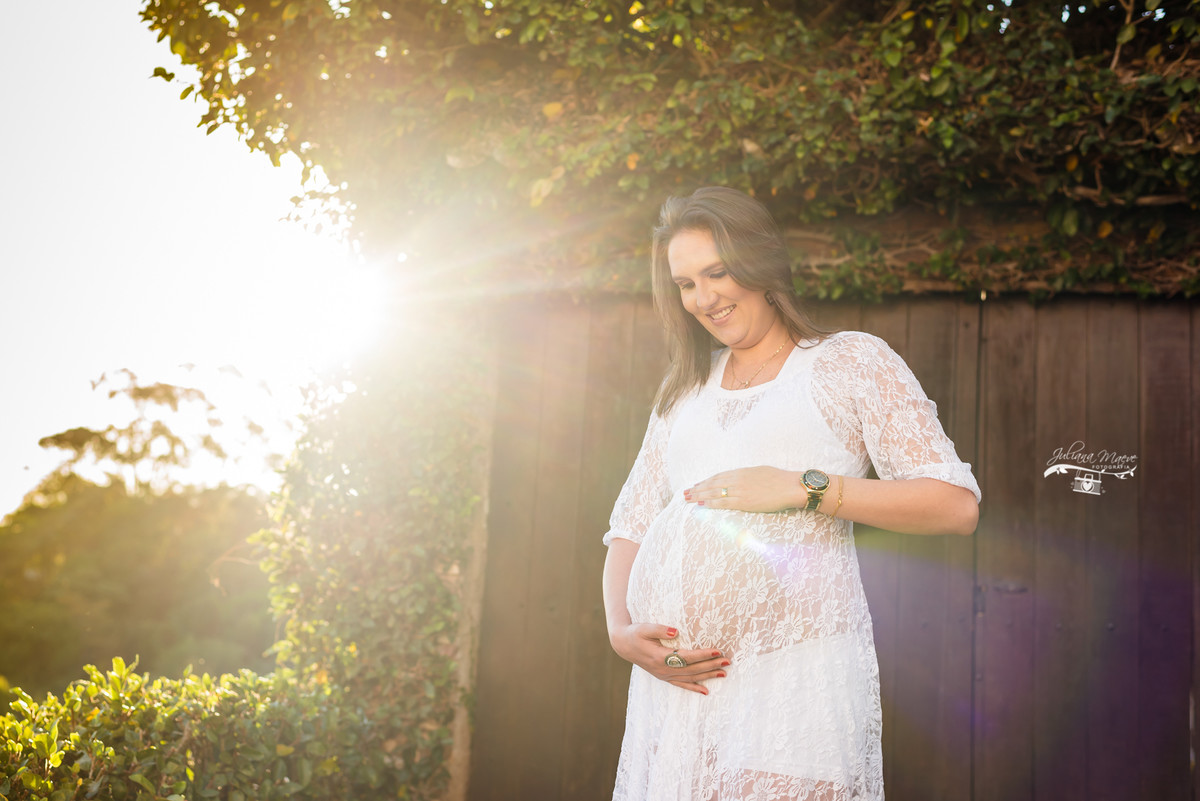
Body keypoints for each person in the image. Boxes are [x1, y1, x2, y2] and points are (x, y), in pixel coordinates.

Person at [601, 186, 981, 801]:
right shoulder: (683, 392)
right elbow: (632, 526)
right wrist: (621, 631)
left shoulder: (848, 363)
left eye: (717, 273)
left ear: (760, 261)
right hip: (680, 689)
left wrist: (801, 488)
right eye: (686, 284)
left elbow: (954, 504)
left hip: (795, 680)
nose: (704, 299)